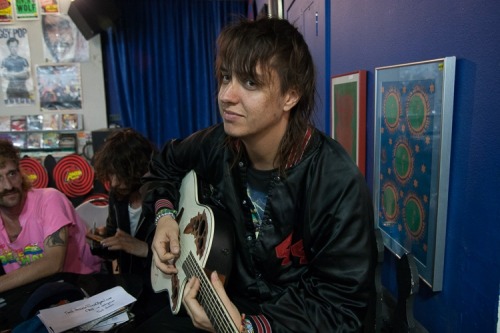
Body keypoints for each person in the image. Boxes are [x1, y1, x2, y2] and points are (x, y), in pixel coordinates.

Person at [140, 17, 376, 333]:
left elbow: (341, 309)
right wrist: (166, 217)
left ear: (290, 95)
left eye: (250, 83)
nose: (226, 95)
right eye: (225, 78)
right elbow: (163, 166)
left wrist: (249, 328)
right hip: (222, 297)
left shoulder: (336, 181)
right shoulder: (216, 144)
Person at [0, 139, 101, 293]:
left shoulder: (49, 199)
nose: (8, 186)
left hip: (78, 286)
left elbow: (54, 263)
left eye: (12, 174)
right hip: (26, 292)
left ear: (20, 174)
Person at [91, 128, 166, 325]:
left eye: (121, 174)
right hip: (129, 290)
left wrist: (141, 248)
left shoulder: (163, 196)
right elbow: (116, 239)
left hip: (161, 293)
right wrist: (101, 241)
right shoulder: (117, 195)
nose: (114, 182)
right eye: (111, 175)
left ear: (140, 168)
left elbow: (181, 255)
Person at [0, 37, 31, 103]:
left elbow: (26, 75)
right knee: (12, 110)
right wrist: (20, 74)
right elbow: (5, 76)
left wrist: (12, 74)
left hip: (23, 89)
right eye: (12, 47)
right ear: (8, 47)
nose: (14, 49)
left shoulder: (23, 60)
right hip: (11, 90)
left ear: (18, 46)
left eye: (15, 46)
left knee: (27, 109)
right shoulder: (5, 61)